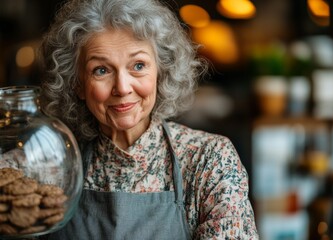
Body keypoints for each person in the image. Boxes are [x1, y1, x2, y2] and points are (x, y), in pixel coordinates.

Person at [39, 0, 259, 239]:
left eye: (138, 65)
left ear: (160, 72)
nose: (122, 88)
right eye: (101, 70)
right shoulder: (53, 164)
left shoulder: (209, 161)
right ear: (78, 84)